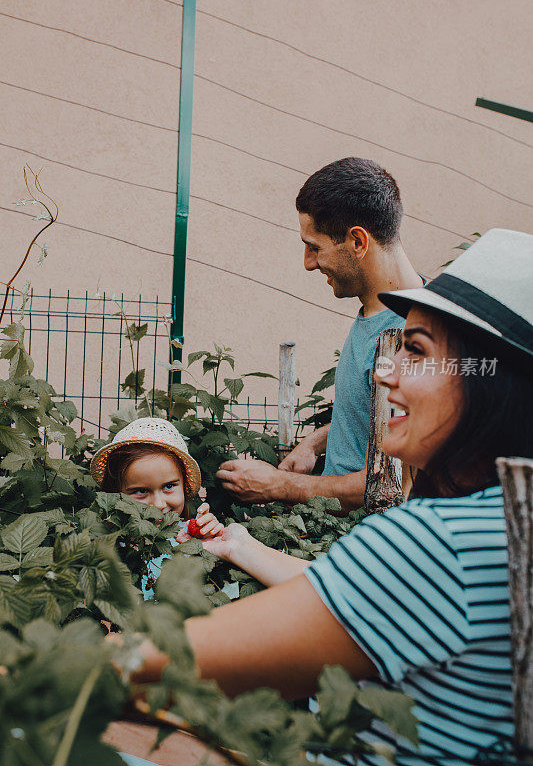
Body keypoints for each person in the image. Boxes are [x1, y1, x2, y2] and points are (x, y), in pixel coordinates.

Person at [129, 228, 533, 765]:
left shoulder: (437, 541)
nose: (386, 374)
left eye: (415, 351)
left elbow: (187, 661)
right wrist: (241, 547)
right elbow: (373, 595)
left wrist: (37, 665)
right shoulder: (500, 524)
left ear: (488, 382)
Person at [217, 157, 423, 510]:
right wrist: (315, 442)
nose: (308, 262)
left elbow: (393, 484)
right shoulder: (375, 314)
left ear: (358, 241)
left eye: (314, 246)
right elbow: (372, 424)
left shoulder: (414, 337)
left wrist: (280, 485)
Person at [90, 418, 224, 598]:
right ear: (116, 495)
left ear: (184, 485)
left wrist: (209, 543)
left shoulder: (191, 538)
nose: (159, 504)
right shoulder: (109, 547)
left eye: (169, 486)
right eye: (141, 491)